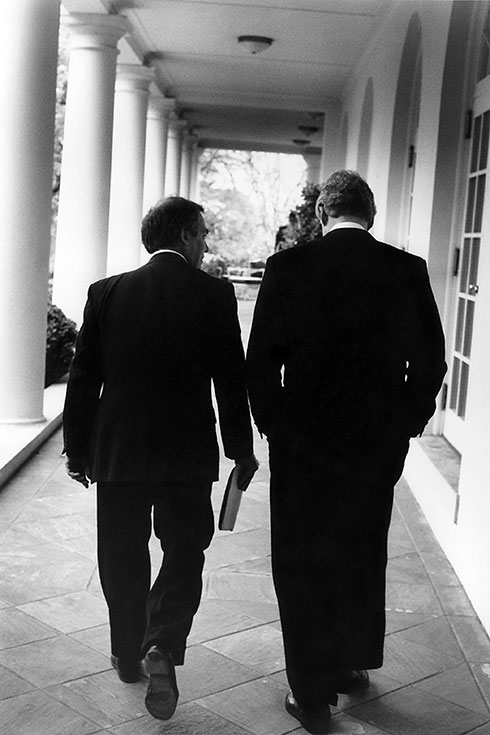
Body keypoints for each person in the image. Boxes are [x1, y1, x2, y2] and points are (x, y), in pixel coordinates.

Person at [246, 170, 446, 734]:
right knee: (360, 551)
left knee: (302, 558)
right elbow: (430, 362)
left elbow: (260, 363)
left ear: (319, 214)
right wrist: (403, 426)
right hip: (372, 446)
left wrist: (277, 429)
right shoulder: (407, 271)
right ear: (372, 214)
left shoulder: (288, 268)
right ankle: (350, 663)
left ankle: (310, 692)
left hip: (303, 448)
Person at [63, 196, 258, 721]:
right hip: (186, 453)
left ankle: (128, 651)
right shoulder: (216, 296)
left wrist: (78, 451)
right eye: (204, 234)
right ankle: (163, 643)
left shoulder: (106, 294)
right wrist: (241, 449)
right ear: (187, 236)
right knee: (184, 550)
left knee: (121, 553)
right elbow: (230, 383)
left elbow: (84, 380)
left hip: (120, 450)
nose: (207, 244)